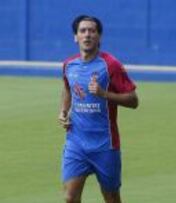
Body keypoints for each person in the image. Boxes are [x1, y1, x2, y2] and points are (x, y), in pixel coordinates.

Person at [58, 15, 139, 203]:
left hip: (105, 145)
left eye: (92, 31)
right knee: (70, 198)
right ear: (75, 37)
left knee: (111, 198)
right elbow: (68, 88)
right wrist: (63, 111)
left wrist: (105, 94)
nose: (87, 35)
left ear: (99, 37)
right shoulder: (69, 65)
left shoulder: (111, 65)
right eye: (83, 31)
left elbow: (134, 100)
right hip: (76, 143)